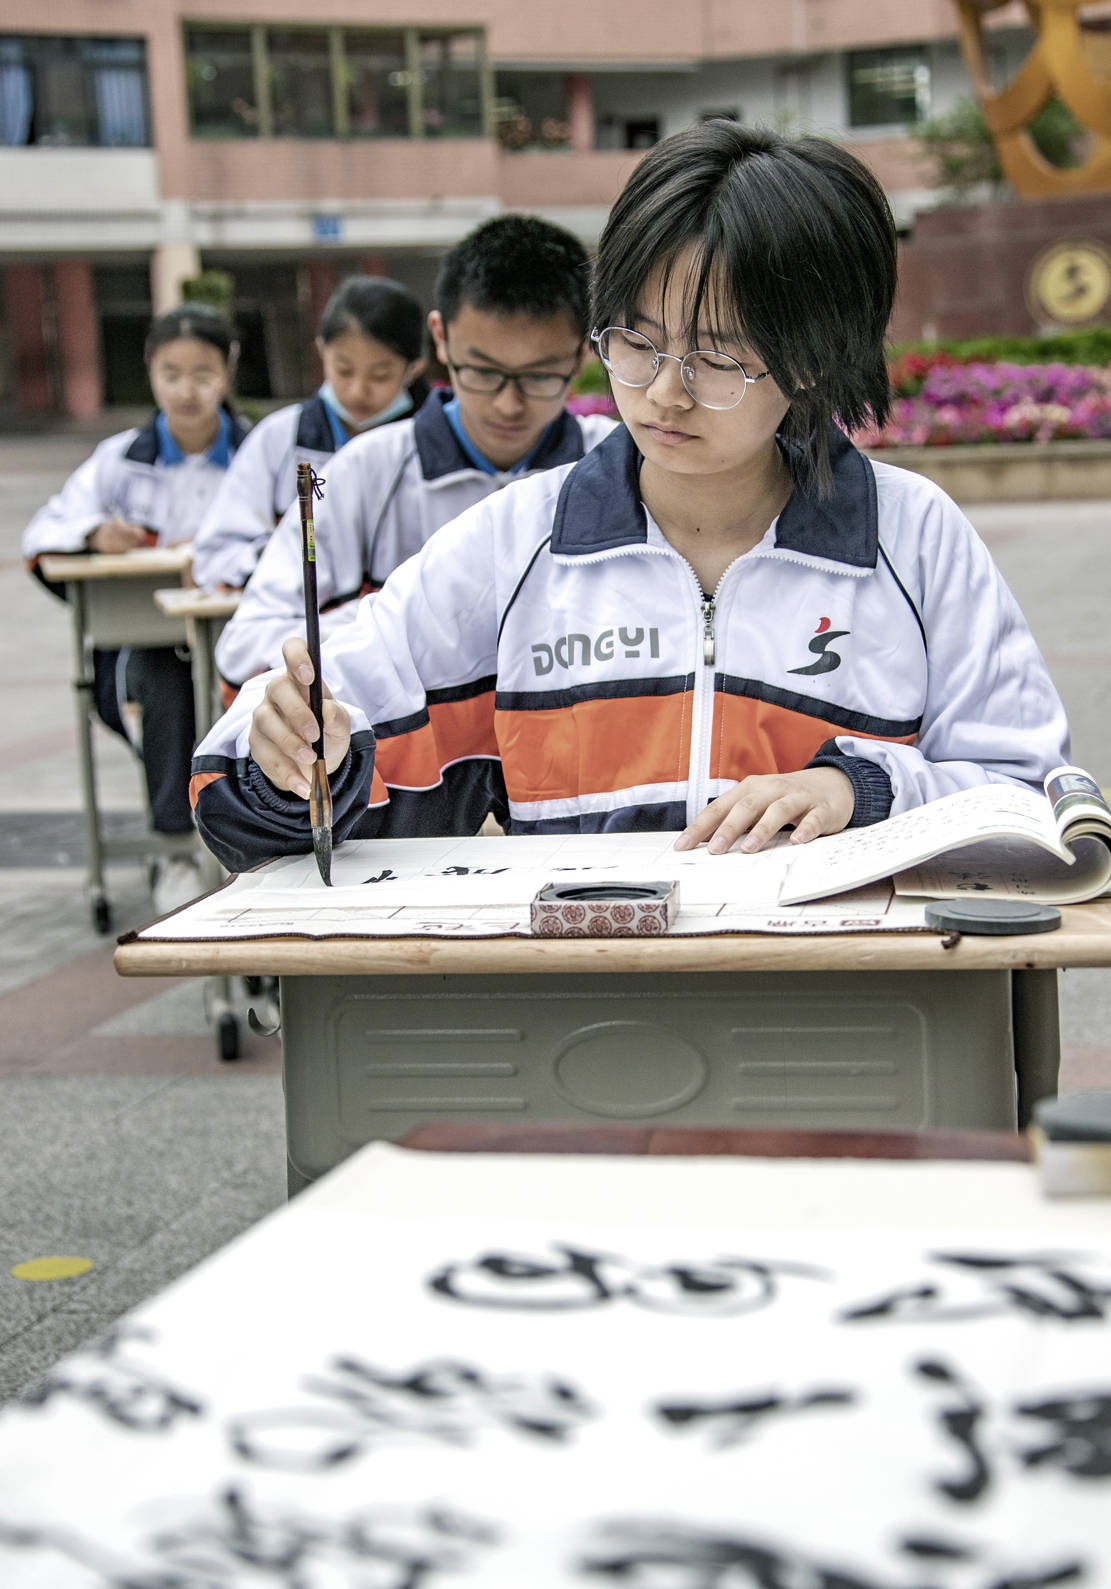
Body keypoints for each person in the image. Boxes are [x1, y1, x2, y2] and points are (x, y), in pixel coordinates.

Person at [191, 121, 1068, 877]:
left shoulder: (911, 542)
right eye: (634, 343)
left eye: (717, 359)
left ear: (813, 359)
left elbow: (1035, 797)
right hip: (586, 1015)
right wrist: (287, 752)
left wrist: (860, 788)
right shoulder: (519, 544)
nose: (661, 394)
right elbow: (254, 764)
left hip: (844, 1024)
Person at [211, 214, 616, 692]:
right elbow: (246, 642)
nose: (509, 404)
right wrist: (399, 623)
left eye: (541, 376)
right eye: (482, 372)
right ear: (441, 338)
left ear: (582, 354)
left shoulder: (611, 468)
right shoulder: (366, 470)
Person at [23, 302, 247, 913]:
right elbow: (45, 533)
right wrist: (95, 532)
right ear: (150, 371)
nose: (187, 390)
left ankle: (252, 846)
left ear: (228, 369)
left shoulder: (261, 452)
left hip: (240, 638)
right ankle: (177, 848)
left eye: (202, 373)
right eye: (171, 373)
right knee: (161, 681)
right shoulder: (120, 458)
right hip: (146, 645)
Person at [190, 274, 427, 594]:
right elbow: (216, 552)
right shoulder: (279, 438)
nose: (358, 390)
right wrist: (274, 559)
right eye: (343, 369)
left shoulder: (428, 445)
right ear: (321, 351)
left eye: (380, 375)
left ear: (414, 368)